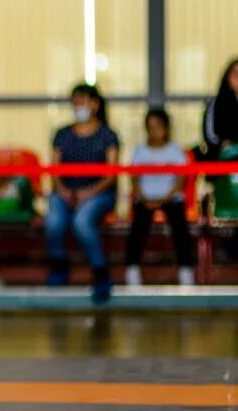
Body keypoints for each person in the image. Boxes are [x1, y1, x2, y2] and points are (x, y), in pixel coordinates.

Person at [45, 84, 120, 303]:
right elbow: (55, 169)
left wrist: (88, 193)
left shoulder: (108, 135)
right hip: (65, 192)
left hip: (99, 194)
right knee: (54, 220)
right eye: (75, 102)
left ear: (95, 104)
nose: (78, 107)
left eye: (82, 101)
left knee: (82, 221)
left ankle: (100, 274)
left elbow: (110, 174)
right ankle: (58, 269)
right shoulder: (62, 134)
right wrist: (64, 191)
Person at [124, 109, 194, 287]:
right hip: (145, 200)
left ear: (166, 128)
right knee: (138, 228)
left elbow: (181, 179)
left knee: (180, 229)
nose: (154, 131)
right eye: (151, 127)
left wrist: (164, 199)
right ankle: (132, 270)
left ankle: (186, 270)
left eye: (158, 127)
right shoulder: (140, 151)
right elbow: (134, 178)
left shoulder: (175, 150)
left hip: (171, 199)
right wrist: (145, 198)